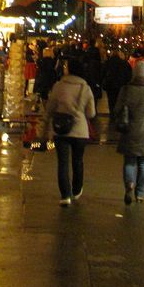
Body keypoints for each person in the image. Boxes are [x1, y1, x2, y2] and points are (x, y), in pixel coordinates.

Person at [45, 56, 96, 206]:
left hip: (61, 129)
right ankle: (76, 189)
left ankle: (65, 195)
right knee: (78, 161)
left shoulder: (59, 86)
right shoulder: (85, 88)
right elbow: (91, 113)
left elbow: (50, 108)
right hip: (80, 131)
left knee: (63, 162)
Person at [112, 59, 144, 204]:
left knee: (129, 161)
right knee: (143, 162)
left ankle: (129, 185)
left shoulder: (126, 89)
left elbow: (117, 108)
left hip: (130, 129)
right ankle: (140, 193)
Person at [101, 48, 133, 118]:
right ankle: (119, 116)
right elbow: (129, 75)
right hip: (121, 85)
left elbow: (102, 73)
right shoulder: (124, 63)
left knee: (111, 101)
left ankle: (112, 114)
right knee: (120, 100)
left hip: (110, 85)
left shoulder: (107, 63)